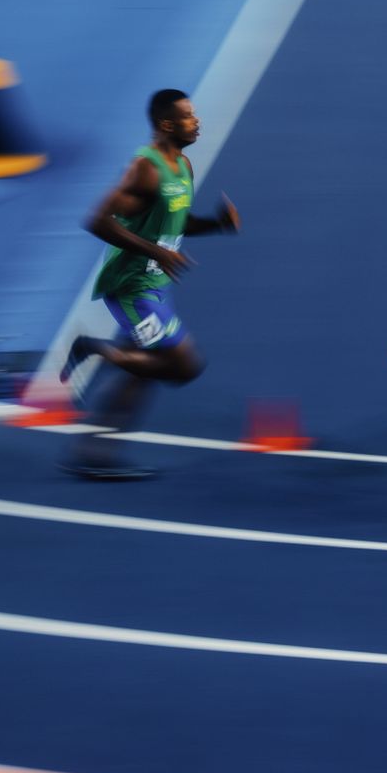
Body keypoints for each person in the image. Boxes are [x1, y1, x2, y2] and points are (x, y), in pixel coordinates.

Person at [58, 88, 239, 479]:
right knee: (183, 365)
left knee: (145, 371)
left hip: (155, 285)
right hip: (131, 288)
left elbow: (179, 222)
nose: (197, 121)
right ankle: (94, 348)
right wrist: (157, 252)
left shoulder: (183, 167)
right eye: (189, 116)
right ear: (166, 124)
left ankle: (94, 455)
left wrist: (217, 224)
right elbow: (98, 220)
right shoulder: (146, 168)